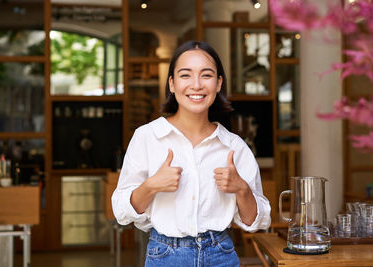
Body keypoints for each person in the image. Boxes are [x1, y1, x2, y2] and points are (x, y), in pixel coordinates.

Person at [112, 40, 271, 267]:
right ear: (172, 84)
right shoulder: (147, 137)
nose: (196, 85)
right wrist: (152, 185)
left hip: (221, 255)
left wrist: (241, 189)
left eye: (206, 75)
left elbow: (255, 221)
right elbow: (121, 212)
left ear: (218, 84)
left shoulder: (233, 146)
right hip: (165, 255)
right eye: (185, 75)